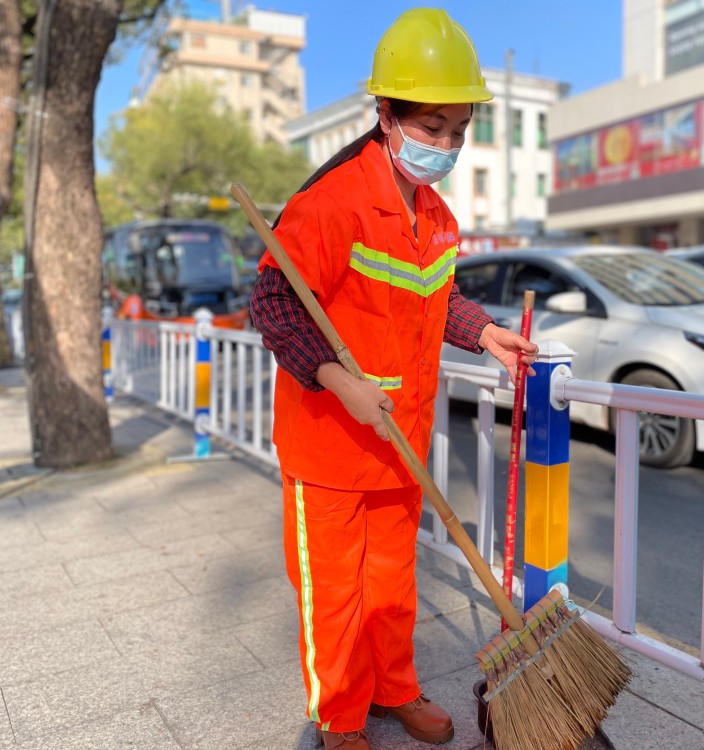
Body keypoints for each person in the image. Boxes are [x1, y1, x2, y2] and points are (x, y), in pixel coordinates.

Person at [249, 9, 537, 750]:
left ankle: (394, 690)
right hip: (330, 445)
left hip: (397, 437)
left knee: (389, 584)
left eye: (456, 133)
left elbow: (433, 298)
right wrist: (337, 381)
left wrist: (483, 332)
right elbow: (274, 302)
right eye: (431, 128)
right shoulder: (332, 201)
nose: (444, 146)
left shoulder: (436, 217)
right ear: (387, 116)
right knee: (337, 594)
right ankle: (339, 717)